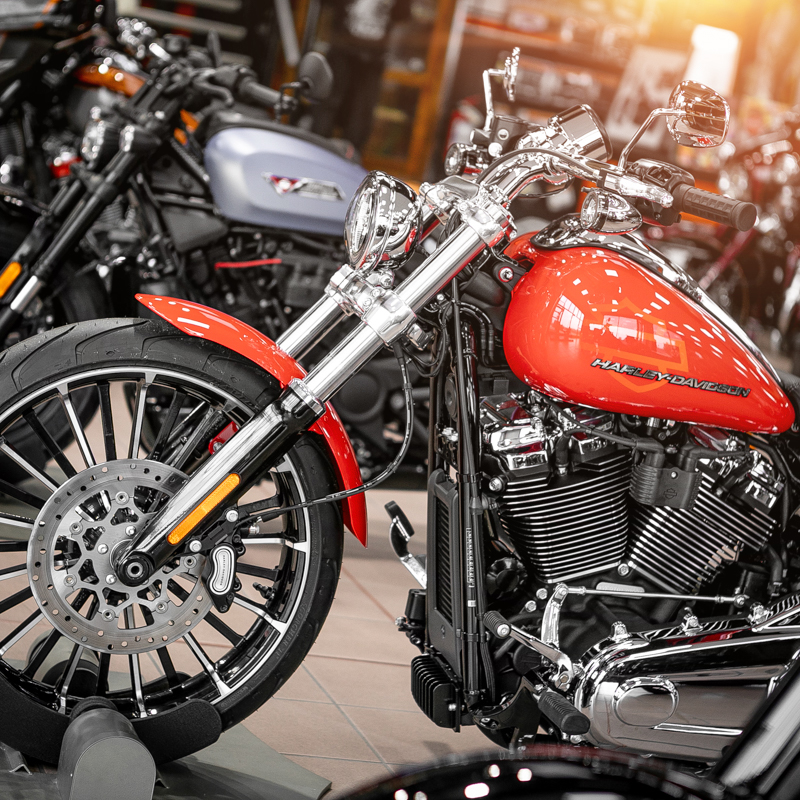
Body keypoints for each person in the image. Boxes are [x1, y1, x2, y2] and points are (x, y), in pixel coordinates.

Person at [312, 0, 411, 152]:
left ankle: (350, 156)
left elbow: (401, 15)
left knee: (362, 111)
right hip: (342, 51)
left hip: (373, 58)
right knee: (329, 102)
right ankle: (317, 149)